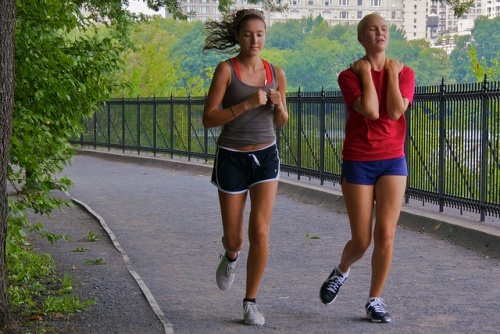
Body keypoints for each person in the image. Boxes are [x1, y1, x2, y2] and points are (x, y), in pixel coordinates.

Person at [319, 13, 415, 323]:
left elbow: (397, 109)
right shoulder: (349, 76)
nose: (380, 34)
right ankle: (341, 270)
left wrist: (391, 74)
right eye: (372, 30)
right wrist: (366, 75)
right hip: (359, 160)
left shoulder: (404, 73)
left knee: (385, 234)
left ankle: (375, 300)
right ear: (362, 38)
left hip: (392, 160)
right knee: (362, 240)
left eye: (384, 29)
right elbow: (372, 111)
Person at [202, 9, 288, 326]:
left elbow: (281, 121)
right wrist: (246, 104)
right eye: (249, 34)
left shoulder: (276, 73)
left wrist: (279, 105)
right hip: (232, 156)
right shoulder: (227, 70)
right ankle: (231, 256)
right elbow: (208, 118)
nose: (255, 40)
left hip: (266, 156)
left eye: (260, 34)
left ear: (266, 36)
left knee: (261, 231)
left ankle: (250, 302)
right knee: (235, 237)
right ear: (238, 36)